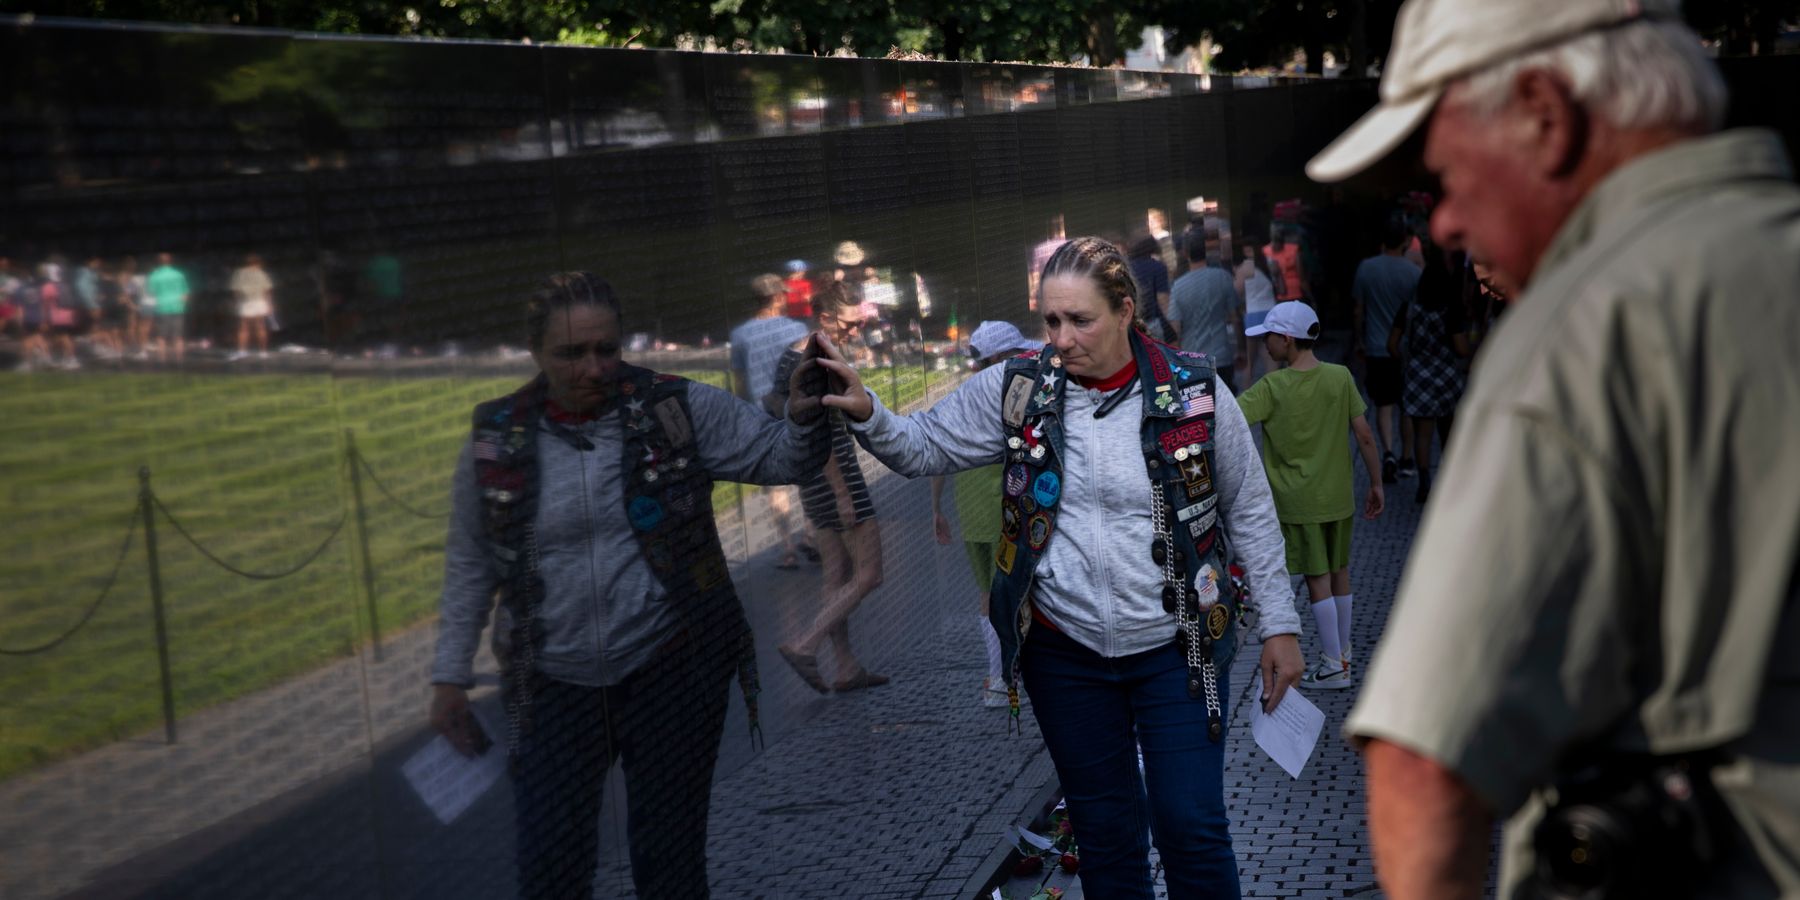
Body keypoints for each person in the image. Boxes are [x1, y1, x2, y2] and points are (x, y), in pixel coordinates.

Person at [1306, 0, 1800, 897]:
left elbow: (1425, 766)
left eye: (1448, 173)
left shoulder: (1586, 330)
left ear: (1545, 112)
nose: (1445, 223)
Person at [805, 236, 1306, 898]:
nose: (1063, 339)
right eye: (1051, 320)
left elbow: (1249, 509)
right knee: (1105, 834)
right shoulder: (1019, 388)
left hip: (1178, 648)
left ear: (1125, 311)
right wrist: (870, 413)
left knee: (1191, 824)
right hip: (1066, 656)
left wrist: (1280, 625)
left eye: (1080, 320)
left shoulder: (1195, 389)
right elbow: (924, 446)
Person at [429, 271, 829, 900]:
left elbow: (782, 458)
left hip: (669, 667)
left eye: (606, 349)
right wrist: (449, 676)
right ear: (535, 352)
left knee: (669, 864)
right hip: (551, 682)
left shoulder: (673, 407)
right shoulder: (498, 436)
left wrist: (806, 418)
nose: (593, 368)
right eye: (571, 353)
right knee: (551, 869)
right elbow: (470, 562)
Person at [1236, 301, 1384, 689]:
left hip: (1298, 503)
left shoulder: (1271, 387)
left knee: (1317, 579)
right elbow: (1365, 435)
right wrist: (1376, 483)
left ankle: (1334, 665)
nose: (1265, 344)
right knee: (1340, 572)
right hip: (1338, 498)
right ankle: (1343, 654)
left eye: (1268, 337)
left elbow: (1229, 420)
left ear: (1286, 339)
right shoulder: (1340, 376)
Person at [769, 281, 889, 694]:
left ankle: (846, 666)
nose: (855, 331)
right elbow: (819, 434)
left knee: (837, 575)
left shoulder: (793, 357)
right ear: (824, 318)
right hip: (837, 477)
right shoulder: (815, 362)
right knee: (869, 573)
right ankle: (805, 645)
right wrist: (842, 493)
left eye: (859, 323)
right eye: (849, 324)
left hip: (812, 480)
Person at [929, 320, 1044, 709]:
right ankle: (1008, 680)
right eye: (1015, 354)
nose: (1022, 360)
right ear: (999, 358)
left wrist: (936, 508)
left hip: (972, 507)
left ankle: (998, 679)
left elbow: (939, 451)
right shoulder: (1013, 392)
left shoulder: (961, 396)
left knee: (988, 592)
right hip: (1006, 504)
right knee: (1018, 589)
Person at [730, 273, 816, 570]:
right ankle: (810, 534)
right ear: (778, 297)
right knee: (807, 474)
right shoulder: (796, 329)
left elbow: (740, 381)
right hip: (796, 408)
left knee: (776, 486)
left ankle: (788, 548)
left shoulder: (740, 335)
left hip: (761, 413)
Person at [1387, 244, 1471, 504]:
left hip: (1418, 377)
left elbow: (1392, 344)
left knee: (1423, 434)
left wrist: (1409, 361)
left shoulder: (1410, 308)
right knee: (1448, 432)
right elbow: (1461, 348)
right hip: (1446, 377)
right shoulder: (1451, 310)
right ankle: (1450, 482)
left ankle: (1424, 483)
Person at [1351, 216, 1422, 483]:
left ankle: (1389, 453)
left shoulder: (1366, 268)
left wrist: (1359, 340)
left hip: (1376, 346)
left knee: (1383, 404)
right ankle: (1407, 458)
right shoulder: (1414, 273)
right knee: (1407, 405)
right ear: (1405, 241)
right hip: (1405, 350)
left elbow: (1358, 310)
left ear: (1382, 240)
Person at [1168, 226, 1240, 394]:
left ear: (1185, 253)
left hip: (1192, 362)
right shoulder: (1223, 277)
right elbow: (1236, 317)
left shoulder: (1178, 286)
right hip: (1222, 356)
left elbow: (1175, 329)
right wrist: (1241, 350)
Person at [1233, 241, 1279, 386]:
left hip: (1253, 314)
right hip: (1271, 313)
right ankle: (1273, 391)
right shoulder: (1271, 263)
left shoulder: (1246, 267)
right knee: (1271, 359)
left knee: (1250, 361)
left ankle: (1246, 392)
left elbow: (1236, 292)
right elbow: (1281, 288)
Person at [1125, 230, 1174, 343]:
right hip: (1152, 322)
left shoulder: (1126, 266)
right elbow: (1163, 299)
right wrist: (1173, 323)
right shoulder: (1157, 267)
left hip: (1130, 323)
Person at [145, 252, 189, 364]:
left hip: (162, 307)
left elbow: (151, 292)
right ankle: (179, 360)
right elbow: (185, 293)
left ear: (158, 262)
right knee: (178, 336)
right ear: (171, 261)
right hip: (178, 307)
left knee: (161, 336)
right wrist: (182, 304)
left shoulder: (155, 276)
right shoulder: (179, 274)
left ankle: (162, 361)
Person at [229, 253, 275, 360]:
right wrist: (269, 305)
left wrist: (237, 302)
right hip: (260, 302)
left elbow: (235, 291)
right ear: (257, 263)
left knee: (243, 328)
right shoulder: (262, 273)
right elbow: (267, 290)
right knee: (261, 326)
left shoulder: (239, 273)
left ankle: (242, 351)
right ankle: (263, 352)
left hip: (245, 302)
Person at [1264, 226, 1308, 303]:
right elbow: (1301, 275)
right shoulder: (1293, 249)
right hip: (1284, 292)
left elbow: (1301, 275)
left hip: (1284, 291)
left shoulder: (1264, 251)